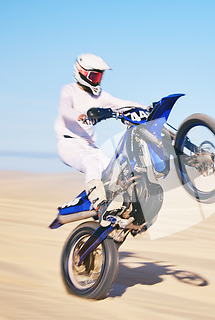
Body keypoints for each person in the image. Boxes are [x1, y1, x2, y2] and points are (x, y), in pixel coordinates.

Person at [54, 53, 147, 211]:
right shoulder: (69, 90)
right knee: (92, 163)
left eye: (100, 76)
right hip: (68, 143)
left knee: (118, 171)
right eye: (95, 76)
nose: (98, 80)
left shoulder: (100, 96)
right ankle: (98, 203)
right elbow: (64, 109)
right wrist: (80, 116)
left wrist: (145, 108)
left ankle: (131, 210)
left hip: (90, 146)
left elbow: (121, 104)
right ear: (82, 73)